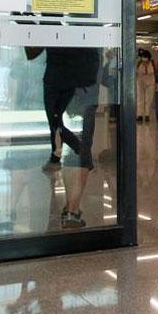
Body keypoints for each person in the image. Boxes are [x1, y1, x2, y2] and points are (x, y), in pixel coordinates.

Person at [27, 45, 101, 229]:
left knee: (65, 133)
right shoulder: (89, 18)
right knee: (79, 144)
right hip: (82, 78)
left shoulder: (48, 16)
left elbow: (31, 51)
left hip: (57, 78)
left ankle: (71, 208)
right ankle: (72, 211)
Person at [137, 49, 157, 122]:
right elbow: (136, 72)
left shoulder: (152, 63)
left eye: (144, 57)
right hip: (140, 82)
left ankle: (147, 115)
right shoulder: (139, 63)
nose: (143, 59)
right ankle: (139, 115)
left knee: (148, 99)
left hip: (150, 83)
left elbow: (155, 72)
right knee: (140, 99)